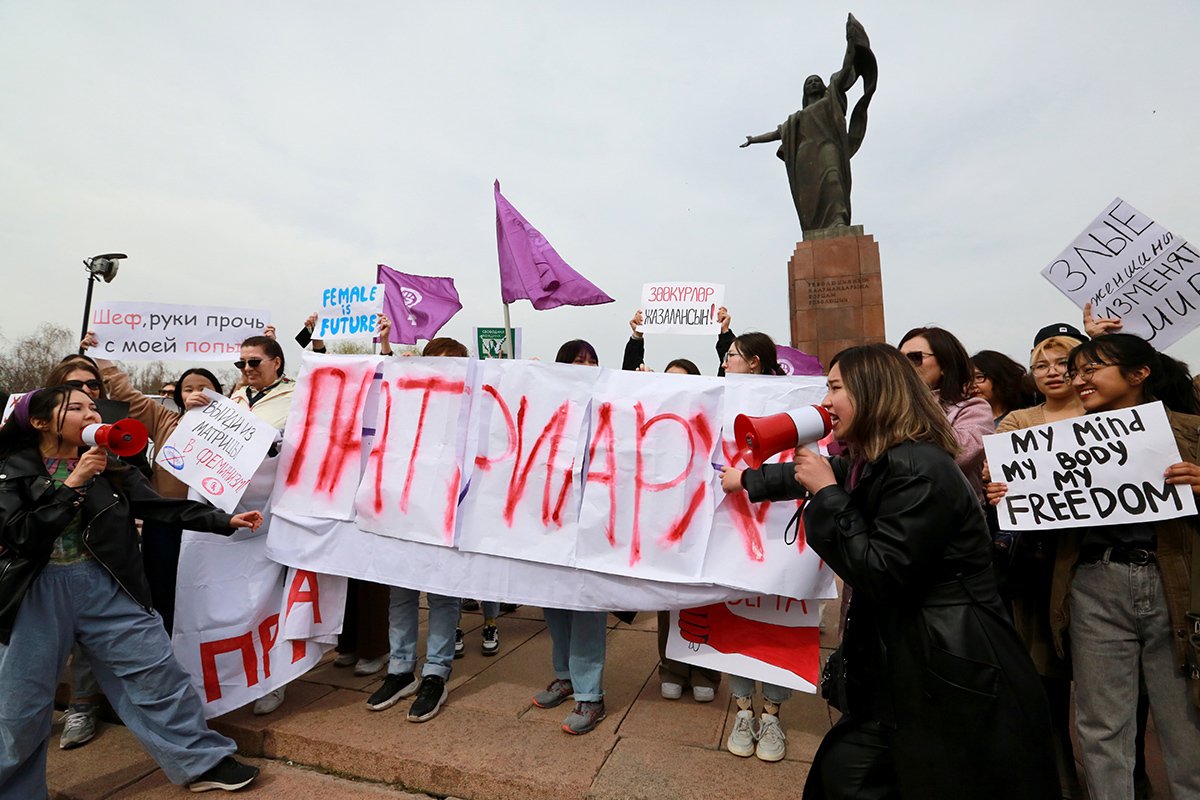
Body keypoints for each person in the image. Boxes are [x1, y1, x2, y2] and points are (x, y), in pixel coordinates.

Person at [775, 344, 1058, 799]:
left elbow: (882, 572)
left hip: (947, 667)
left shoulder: (917, 468)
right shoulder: (890, 460)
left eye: (835, 388)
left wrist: (828, 495)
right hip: (917, 664)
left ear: (873, 392)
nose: (825, 403)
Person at [0, 386, 264, 795]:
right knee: (20, 706)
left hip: (106, 583)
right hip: (34, 593)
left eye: (92, 407)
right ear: (38, 422)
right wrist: (74, 482)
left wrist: (223, 520)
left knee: (157, 674)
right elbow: (21, 534)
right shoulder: (11, 469)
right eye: (75, 408)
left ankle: (201, 761)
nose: (90, 414)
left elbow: (158, 506)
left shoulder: (111, 466)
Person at [1048, 334, 1200, 799]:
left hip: (1177, 585)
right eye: (1076, 371)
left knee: (1185, 723)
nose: (1080, 379)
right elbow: (1046, 514)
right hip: (1094, 582)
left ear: (1139, 374)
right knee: (1101, 727)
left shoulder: (1193, 431)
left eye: (1093, 368)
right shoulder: (1058, 442)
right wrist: (1010, 498)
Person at [987, 331, 1086, 798]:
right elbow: (1005, 480)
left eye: (1063, 362)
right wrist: (999, 490)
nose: (1052, 372)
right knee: (1043, 679)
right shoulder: (1017, 422)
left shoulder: (1112, 417)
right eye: (1042, 364)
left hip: (1095, 563)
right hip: (1036, 565)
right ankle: (1059, 775)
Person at [365, 336, 470, 724]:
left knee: (443, 597)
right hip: (404, 508)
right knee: (401, 594)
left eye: (451, 365)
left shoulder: (469, 405)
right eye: (436, 363)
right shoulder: (408, 400)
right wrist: (385, 347)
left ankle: (436, 675)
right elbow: (383, 387)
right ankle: (400, 669)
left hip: (446, 512)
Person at [714, 330, 791, 762]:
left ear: (756, 362)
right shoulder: (719, 396)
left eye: (732, 356)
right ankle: (744, 709)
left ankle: (773, 714)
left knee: (780, 622)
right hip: (732, 524)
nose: (725, 362)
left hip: (777, 526)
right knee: (739, 620)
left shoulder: (790, 402)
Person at [532, 339, 610, 735]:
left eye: (592, 360)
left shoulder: (608, 402)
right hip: (553, 519)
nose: (586, 365)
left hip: (591, 521)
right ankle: (564, 677)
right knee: (555, 603)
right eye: (578, 360)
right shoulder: (551, 402)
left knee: (586, 607)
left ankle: (590, 694)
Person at [738, 14, 877, 232]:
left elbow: (847, 64)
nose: (813, 83)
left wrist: (851, 42)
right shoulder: (797, 118)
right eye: (809, 82)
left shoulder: (831, 97)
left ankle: (839, 220)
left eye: (816, 80)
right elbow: (777, 133)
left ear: (822, 85)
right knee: (810, 197)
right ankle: (816, 231)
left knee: (833, 178)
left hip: (827, 147)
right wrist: (753, 139)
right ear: (804, 91)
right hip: (806, 155)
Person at [897, 326, 993, 502]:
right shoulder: (888, 407)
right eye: (899, 359)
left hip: (953, 518)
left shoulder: (974, 408)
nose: (905, 366)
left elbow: (959, 455)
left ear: (945, 365)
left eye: (915, 358)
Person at [969, 349, 1036, 426]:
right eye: (967, 380)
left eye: (979, 377)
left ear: (999, 377)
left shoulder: (1027, 417)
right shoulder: (965, 423)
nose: (972, 385)